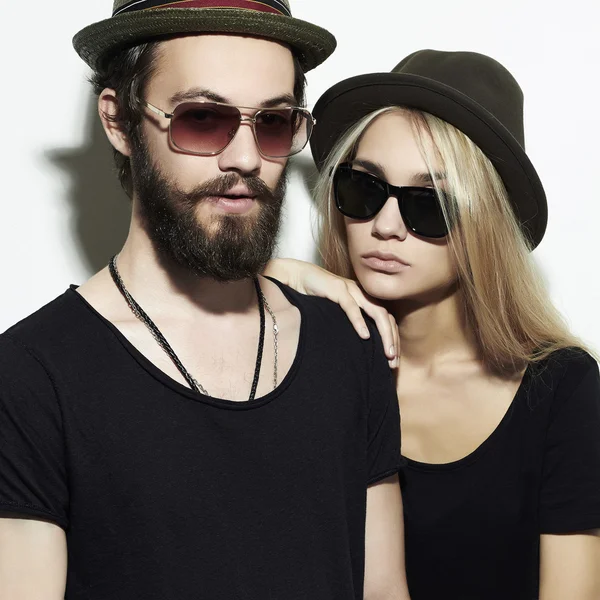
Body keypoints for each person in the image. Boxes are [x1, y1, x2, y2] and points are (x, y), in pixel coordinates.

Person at [0, 3, 411, 599]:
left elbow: (383, 591)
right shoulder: (33, 376)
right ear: (118, 121)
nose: (245, 159)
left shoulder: (349, 345)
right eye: (201, 119)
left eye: (272, 123)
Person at [266, 49, 600, 599]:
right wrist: (275, 273)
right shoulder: (310, 357)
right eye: (364, 189)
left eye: (429, 205)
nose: (386, 226)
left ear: (485, 223)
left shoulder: (557, 387)